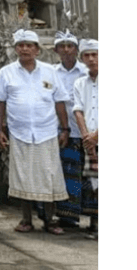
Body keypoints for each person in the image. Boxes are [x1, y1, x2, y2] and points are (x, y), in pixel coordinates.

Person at [0, 29, 71, 235]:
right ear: (15, 49)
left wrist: (65, 129)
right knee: (23, 177)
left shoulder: (50, 72)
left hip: (46, 131)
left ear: (38, 49)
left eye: (30, 45)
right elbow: (0, 102)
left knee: (49, 175)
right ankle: (26, 219)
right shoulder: (6, 72)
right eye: (21, 45)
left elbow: (60, 102)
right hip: (19, 132)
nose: (25, 49)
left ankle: (50, 219)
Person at [50, 31, 88, 229]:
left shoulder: (86, 71)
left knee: (92, 176)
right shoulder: (52, 72)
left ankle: (95, 218)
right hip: (65, 130)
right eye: (62, 46)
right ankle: (69, 216)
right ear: (56, 50)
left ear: (76, 49)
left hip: (90, 130)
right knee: (70, 174)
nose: (66, 50)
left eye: (70, 46)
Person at [72, 39, 99, 240]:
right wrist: (86, 136)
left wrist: (96, 136)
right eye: (87, 55)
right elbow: (78, 110)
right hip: (89, 139)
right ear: (82, 58)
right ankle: (96, 223)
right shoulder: (80, 83)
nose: (91, 59)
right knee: (94, 182)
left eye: (95, 54)